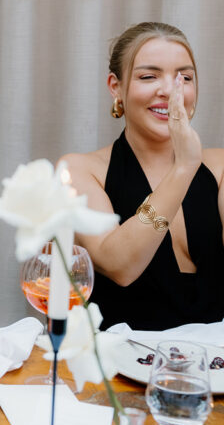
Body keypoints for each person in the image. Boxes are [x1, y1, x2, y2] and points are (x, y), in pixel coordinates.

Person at [60, 22, 224, 330]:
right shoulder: (79, 171)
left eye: (184, 78)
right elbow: (120, 266)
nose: (169, 90)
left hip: (211, 371)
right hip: (118, 371)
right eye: (149, 76)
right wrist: (184, 167)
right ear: (116, 86)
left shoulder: (220, 169)